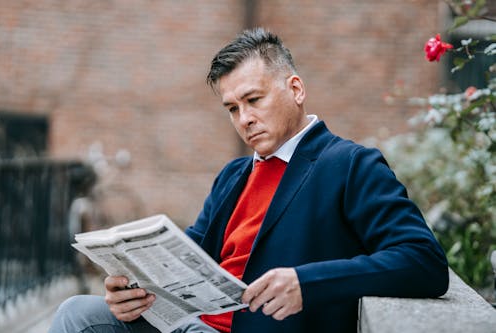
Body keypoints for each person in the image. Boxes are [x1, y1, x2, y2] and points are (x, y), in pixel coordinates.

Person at [49, 27, 449, 333]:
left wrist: (306, 283)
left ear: (295, 89)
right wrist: (132, 291)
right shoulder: (234, 175)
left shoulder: (350, 165)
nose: (244, 119)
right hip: (191, 324)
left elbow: (423, 261)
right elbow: (188, 255)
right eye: (232, 108)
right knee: (77, 313)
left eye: (254, 100)